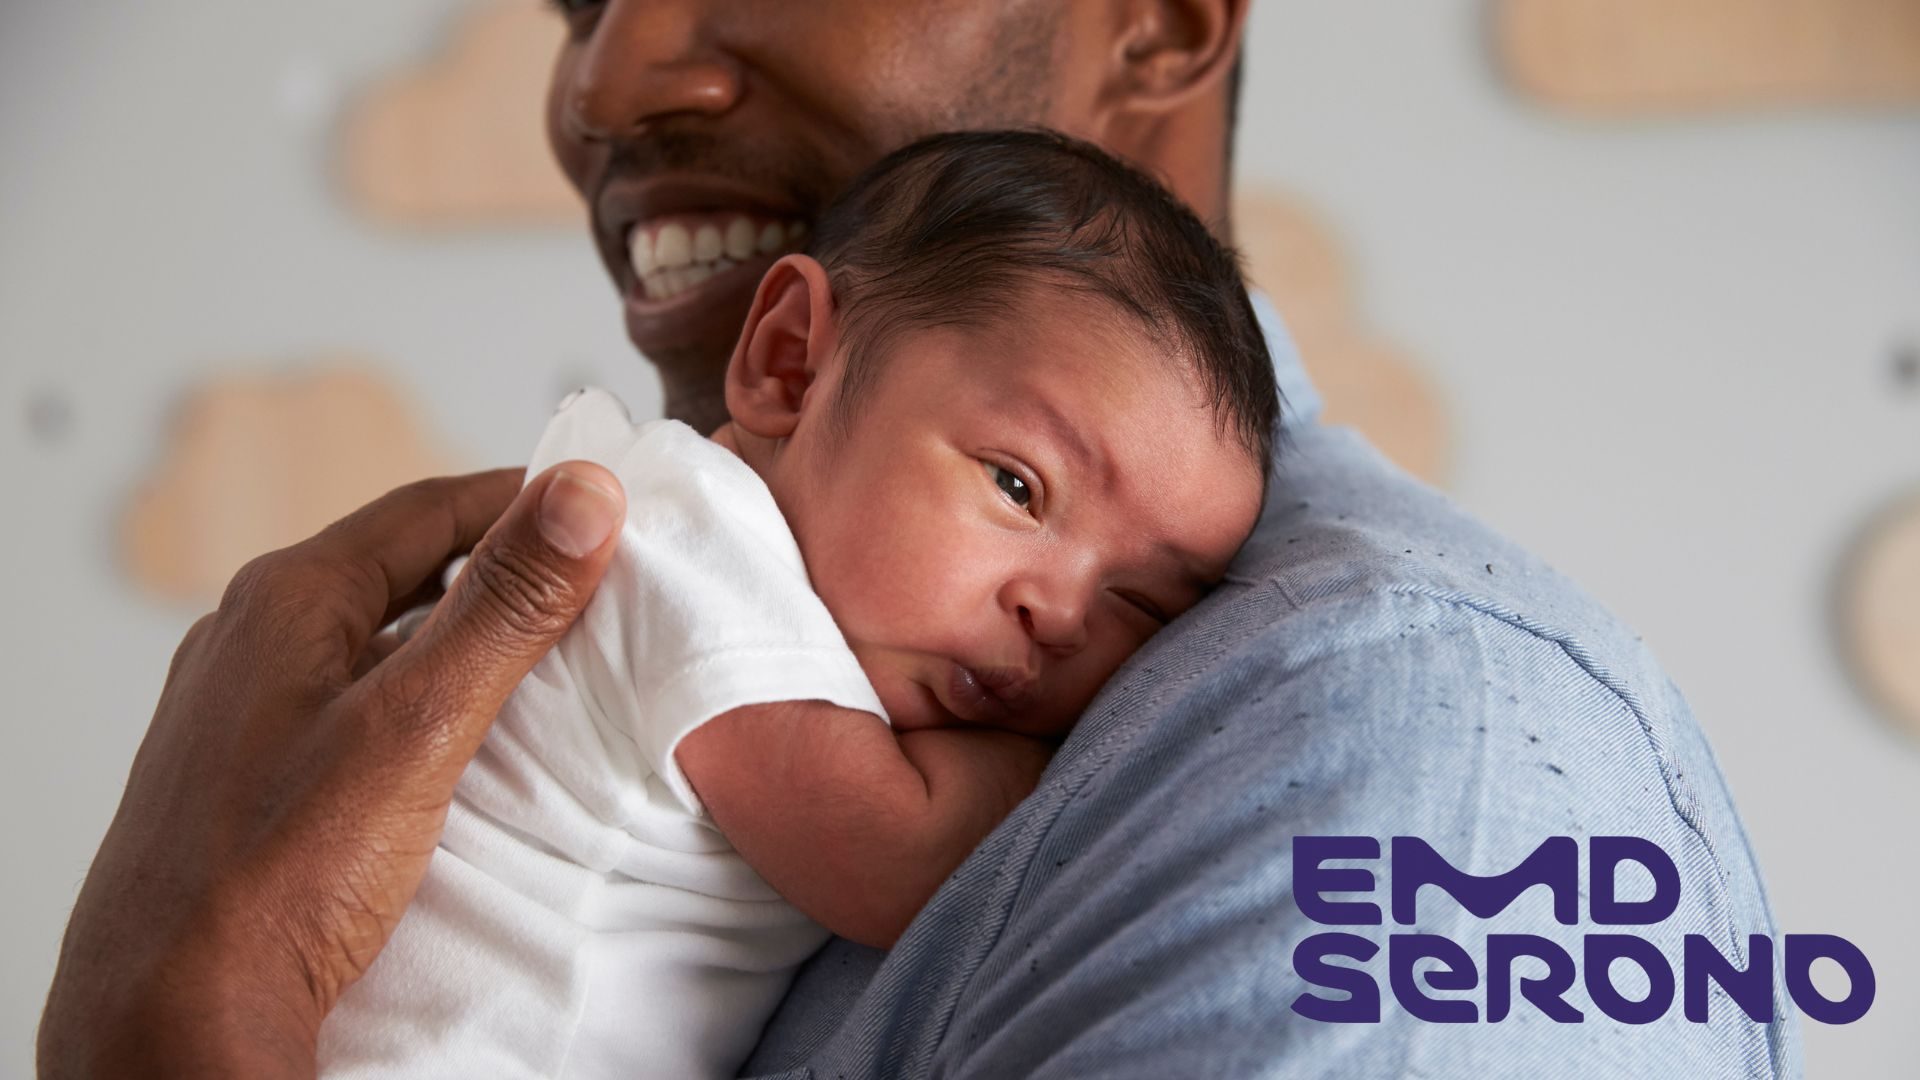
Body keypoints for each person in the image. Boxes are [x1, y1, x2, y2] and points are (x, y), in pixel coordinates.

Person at [39, 2, 1800, 1077]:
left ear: (1163, 18)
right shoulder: (715, 572)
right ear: (794, 356)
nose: (605, 72)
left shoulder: (1395, 764)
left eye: (1148, 602)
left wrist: (168, 1040)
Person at [316, 129, 1277, 1080]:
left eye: (1143, 606)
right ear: (791, 364)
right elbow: (906, 861)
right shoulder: (687, 551)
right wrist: (1070, 760)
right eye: (1018, 487)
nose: (1063, 618)